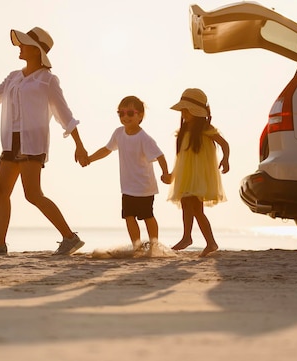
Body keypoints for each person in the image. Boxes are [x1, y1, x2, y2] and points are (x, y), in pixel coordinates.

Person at [0, 27, 88, 256]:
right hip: (11, 140)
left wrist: (79, 145)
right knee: (1, 190)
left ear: (36, 51)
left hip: (32, 142)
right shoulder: (13, 77)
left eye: (24, 44)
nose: (19, 47)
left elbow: (65, 114)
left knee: (33, 194)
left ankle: (70, 237)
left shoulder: (48, 80)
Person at [86, 96, 171, 252]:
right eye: (121, 113)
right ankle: (137, 247)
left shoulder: (144, 138)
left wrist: (165, 173)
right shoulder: (119, 133)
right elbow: (107, 149)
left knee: (147, 216)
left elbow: (160, 155)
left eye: (130, 113)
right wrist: (90, 159)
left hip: (144, 187)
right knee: (128, 216)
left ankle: (154, 246)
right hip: (127, 187)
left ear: (140, 115)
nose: (125, 117)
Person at [167, 88, 229, 257]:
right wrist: (172, 175)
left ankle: (204, 240)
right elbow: (181, 158)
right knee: (188, 205)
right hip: (186, 176)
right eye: (182, 110)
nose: (183, 113)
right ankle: (192, 238)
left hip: (200, 176)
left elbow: (224, 144)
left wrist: (225, 159)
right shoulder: (183, 132)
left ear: (197, 111)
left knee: (194, 207)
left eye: (186, 110)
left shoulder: (206, 129)